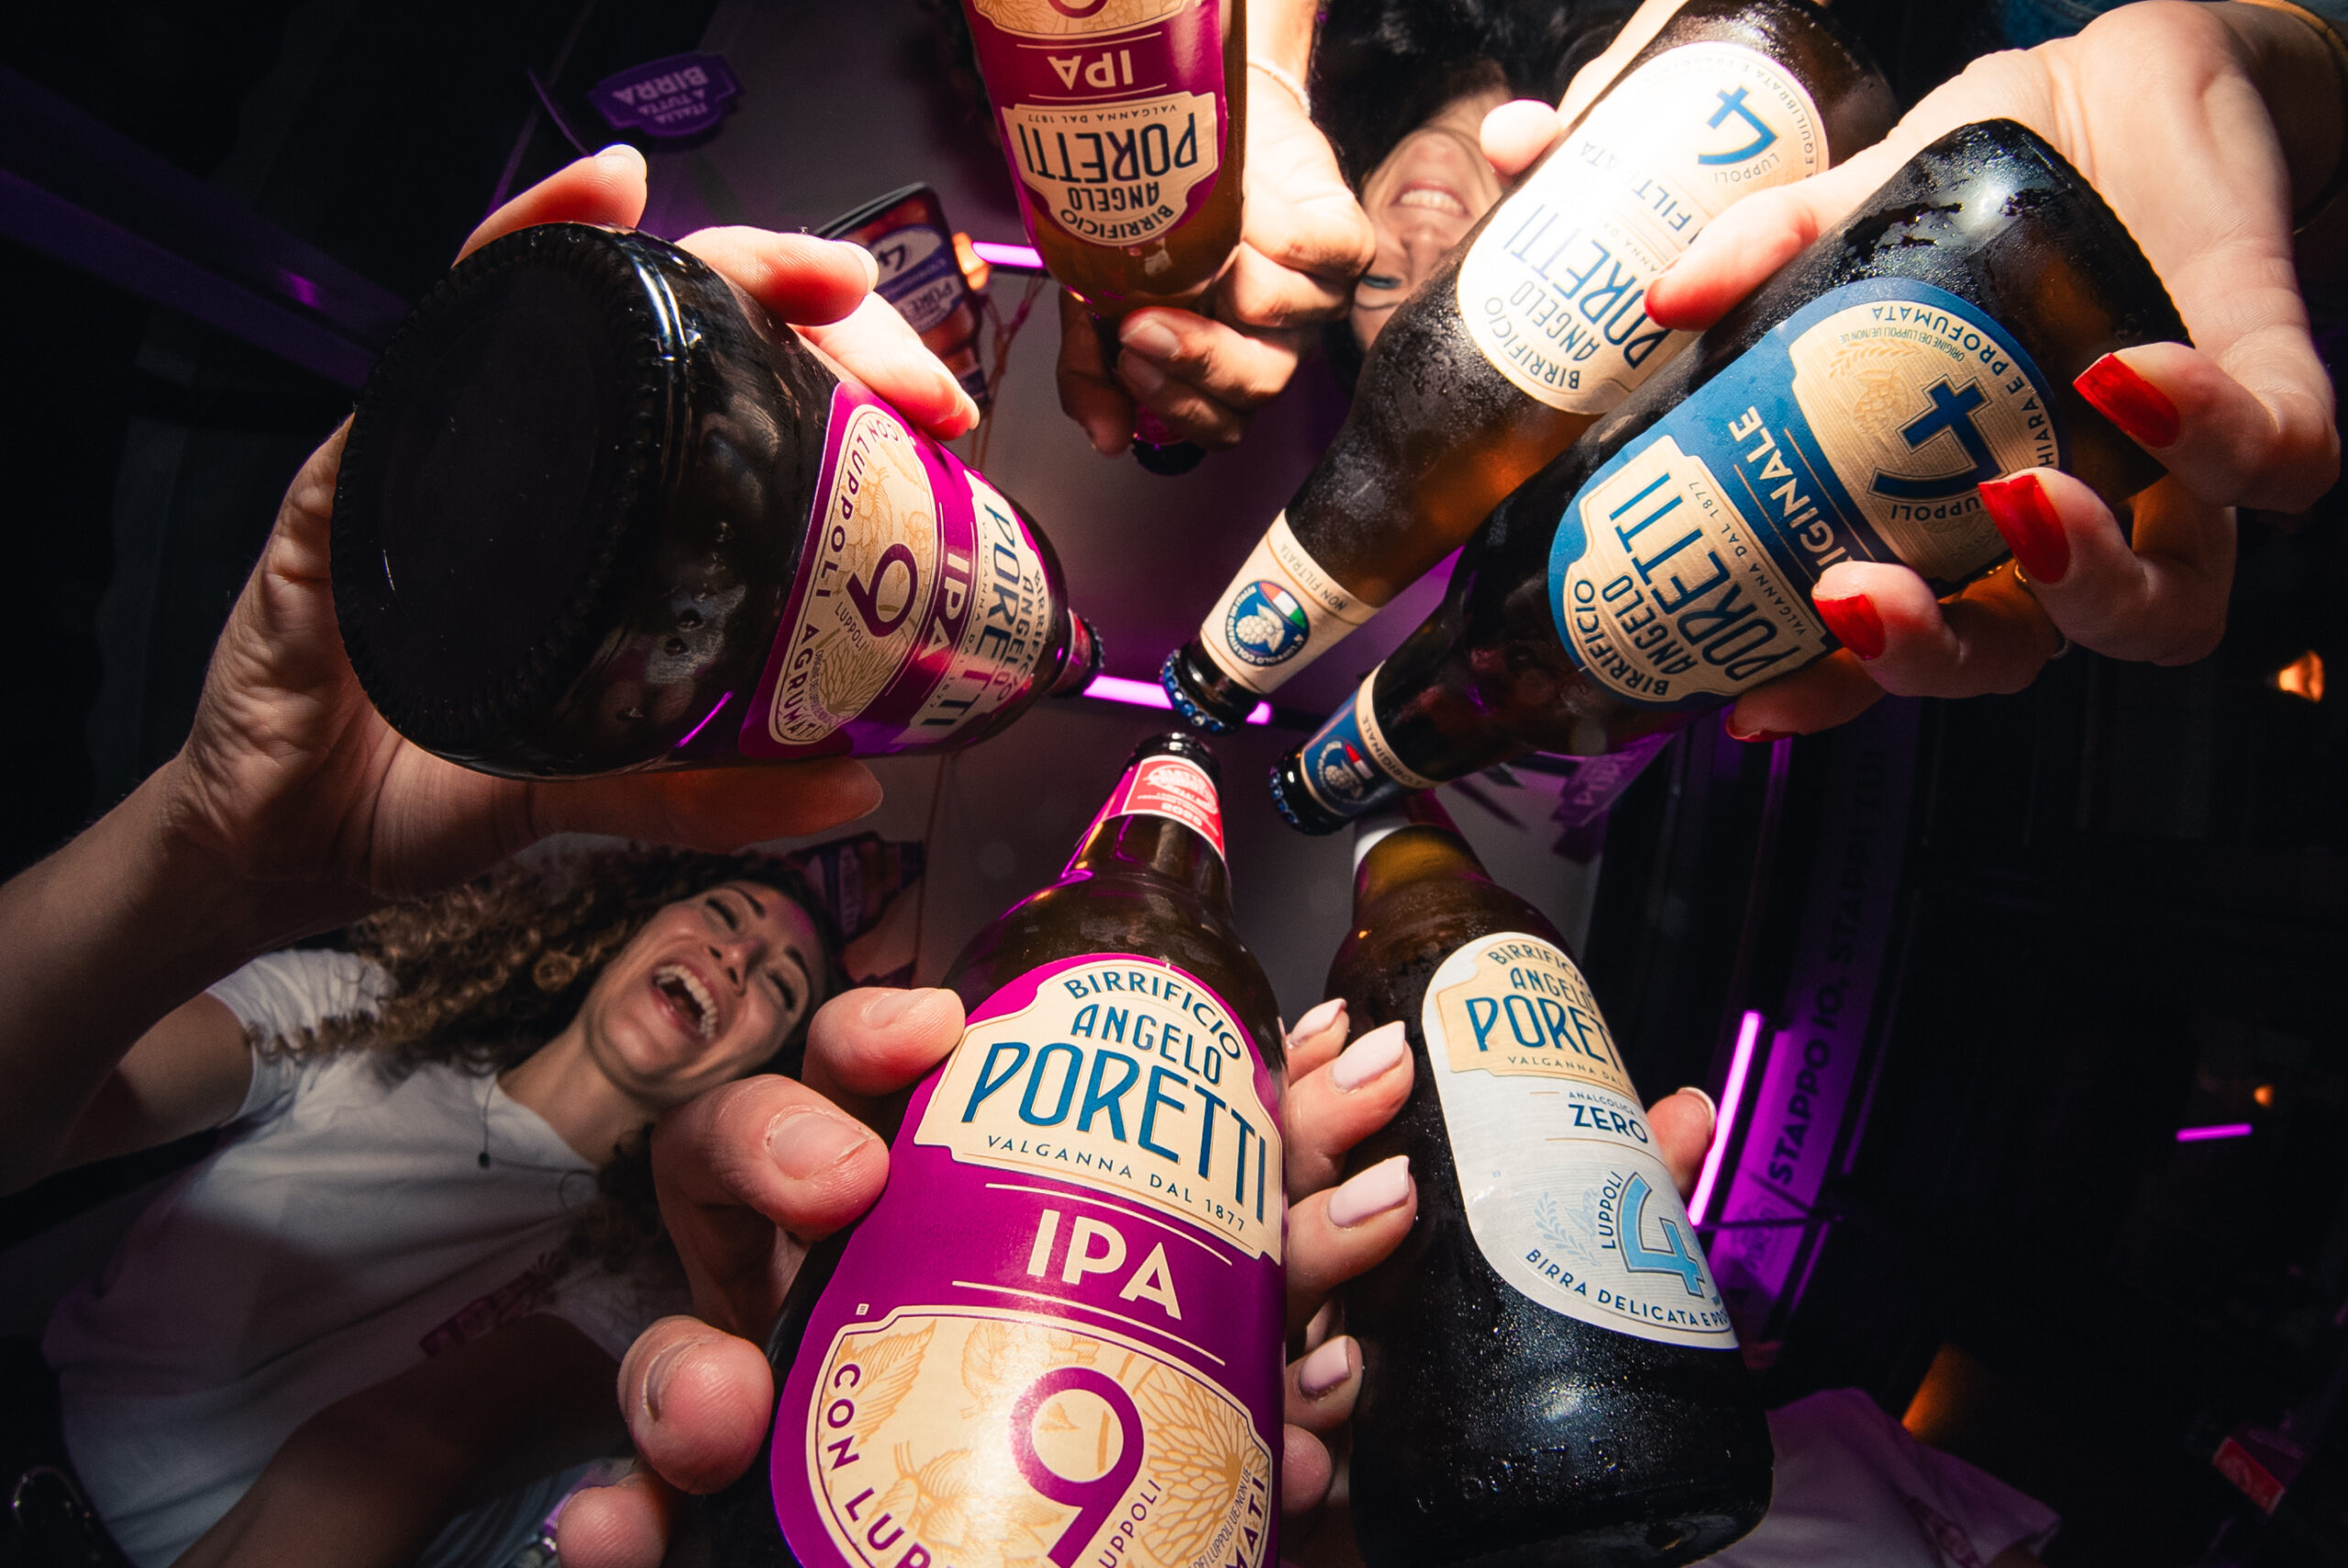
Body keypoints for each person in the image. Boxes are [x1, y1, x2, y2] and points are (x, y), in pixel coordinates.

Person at [34, 846, 837, 1566]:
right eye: (723, 913)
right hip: (28, 1426)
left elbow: (410, 1445)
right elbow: (73, 1090)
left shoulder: (653, 1292)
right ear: (638, 921)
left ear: (763, 1066)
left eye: (779, 984)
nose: (735, 957)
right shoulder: (367, 1015)